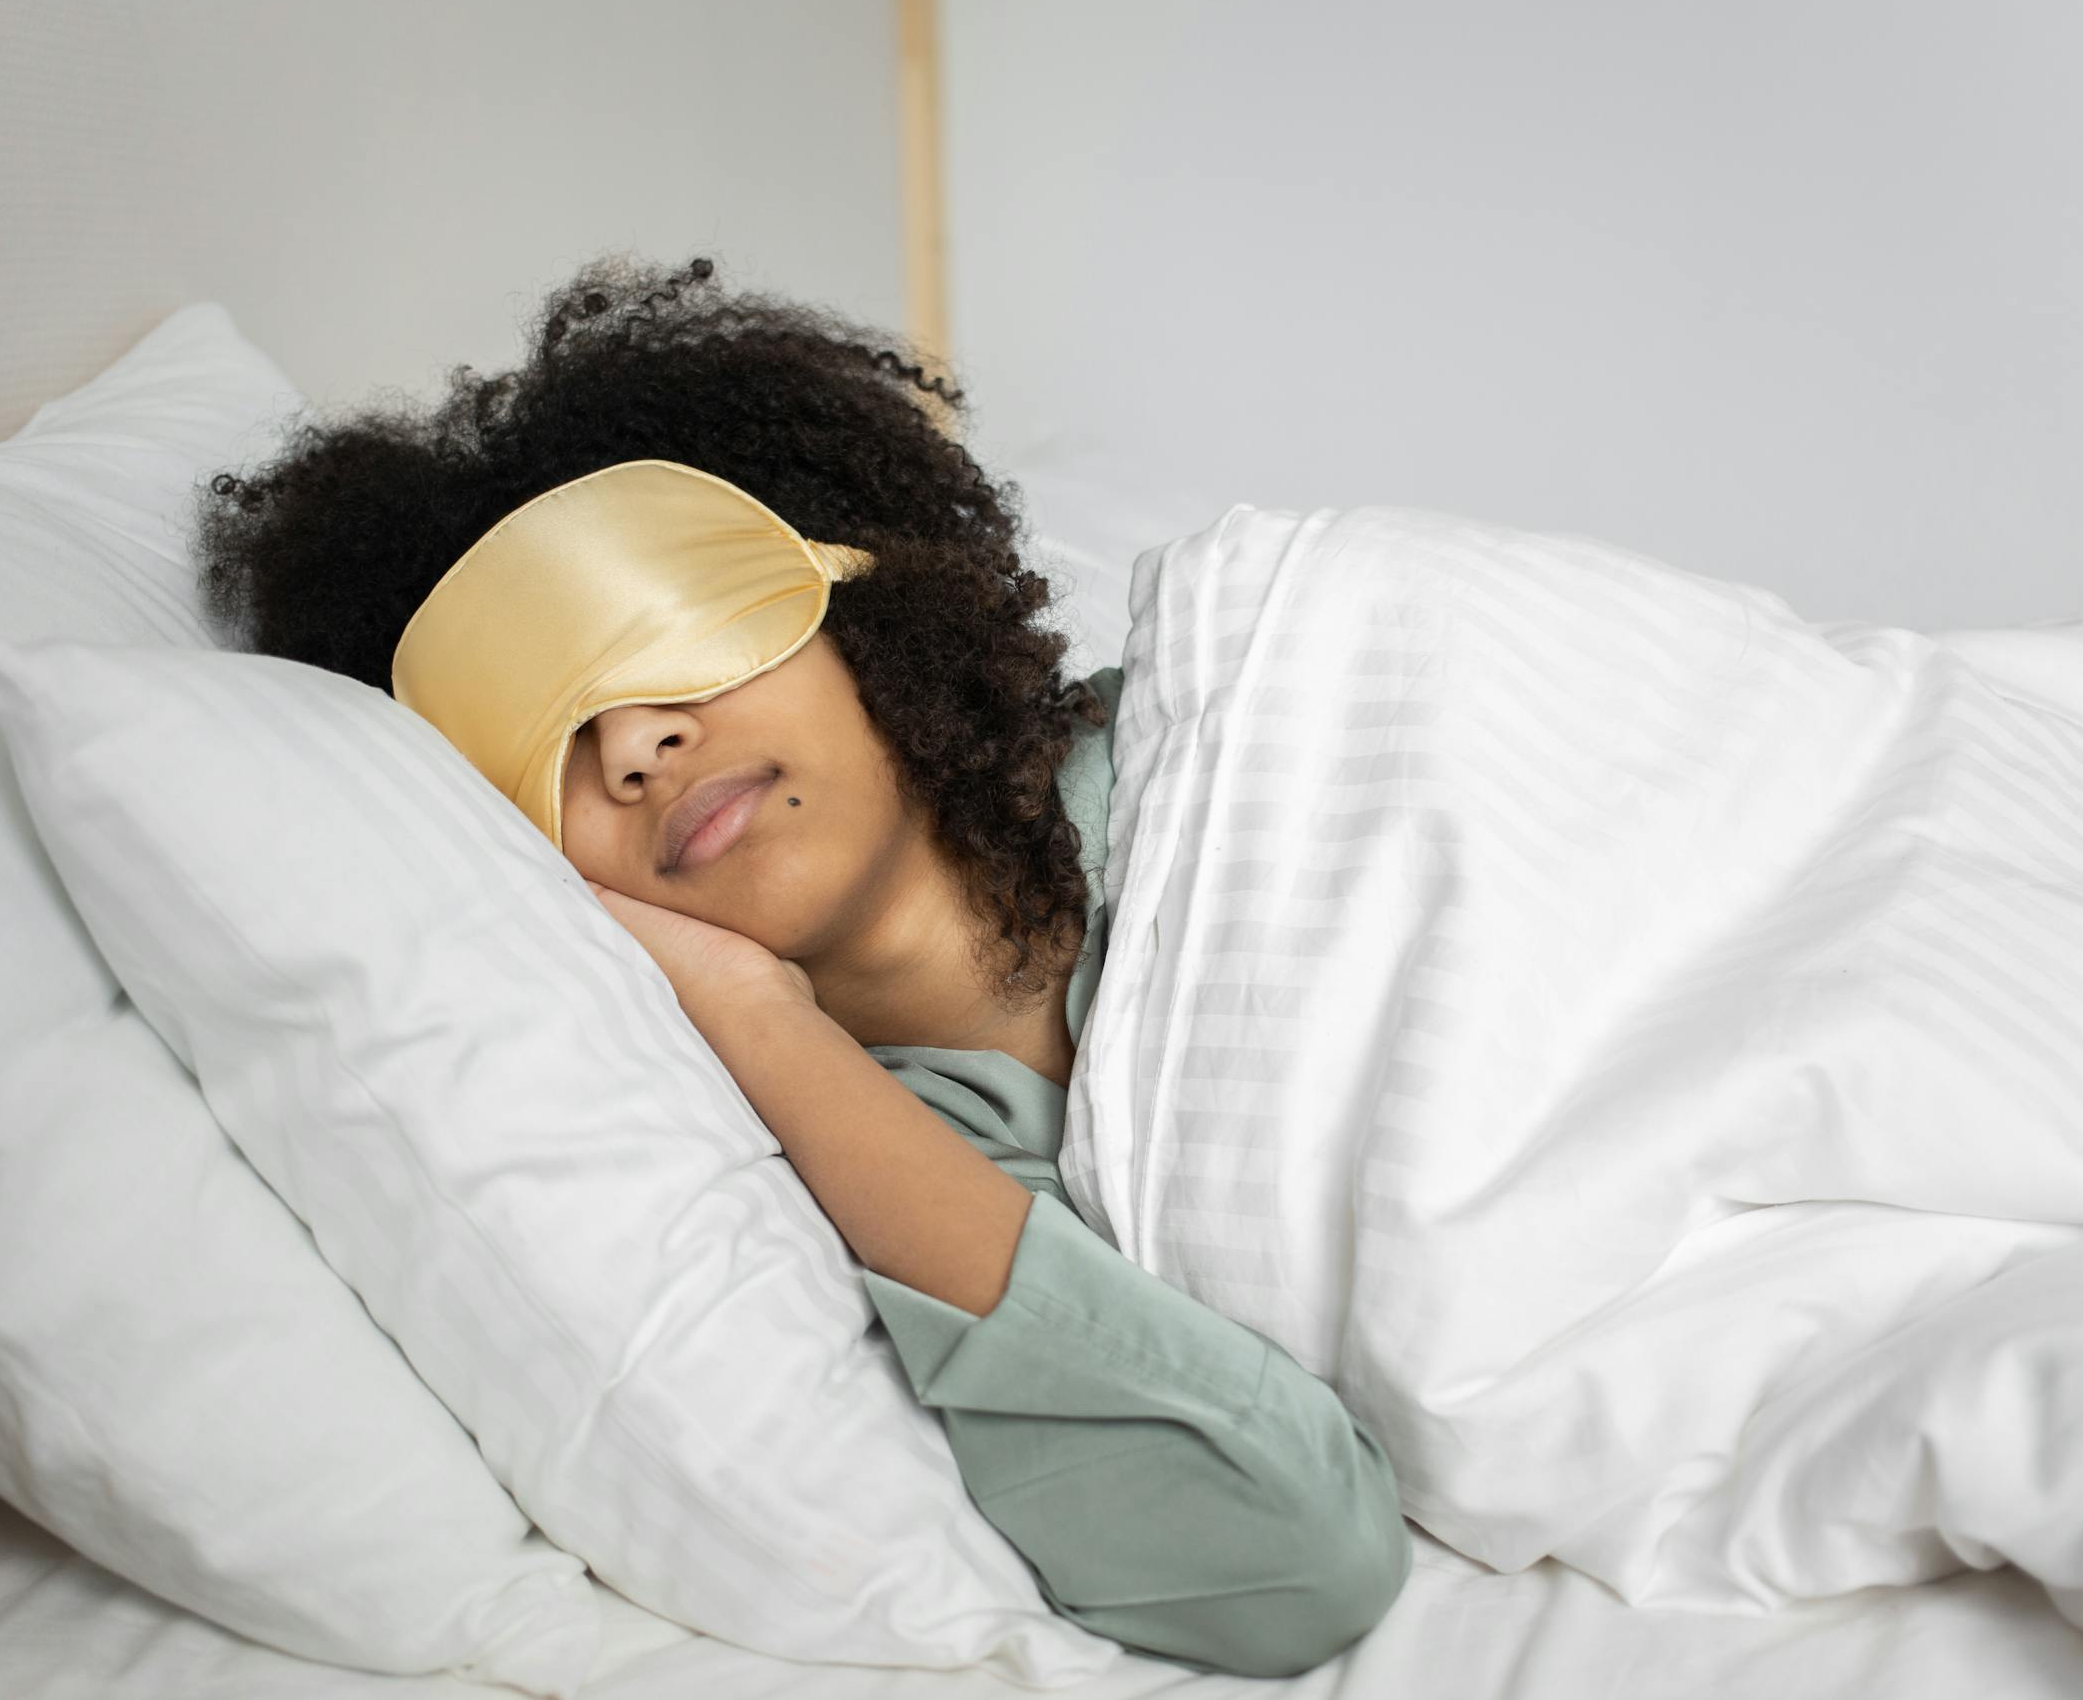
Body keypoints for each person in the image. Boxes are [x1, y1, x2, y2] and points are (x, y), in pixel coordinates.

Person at [195, 252, 1412, 1677]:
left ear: (851, 587)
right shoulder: (893, 1169)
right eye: (542, 744)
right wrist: (761, 1024)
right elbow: (1297, 1561)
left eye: (660, 629)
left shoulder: (1235, 727)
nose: (634, 744)